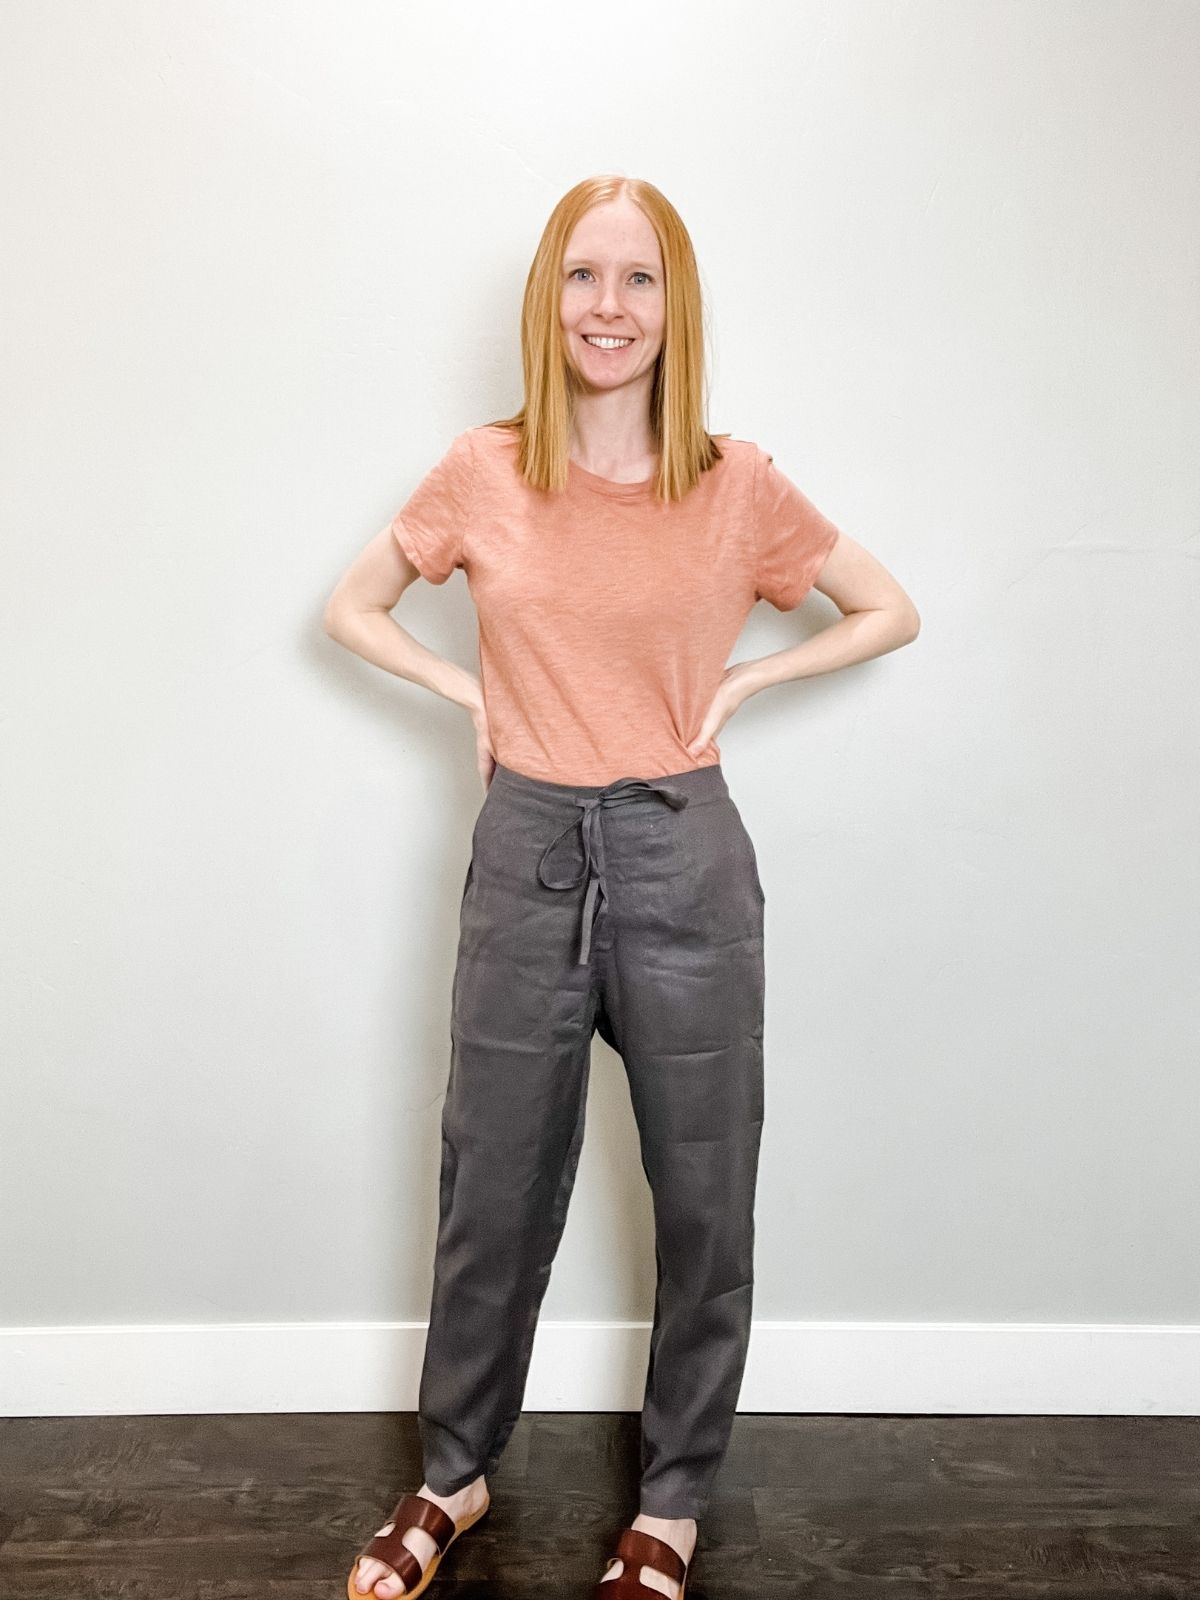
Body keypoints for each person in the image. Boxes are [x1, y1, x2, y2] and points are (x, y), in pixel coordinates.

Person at [324, 174, 920, 1600]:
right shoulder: (486, 467)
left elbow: (891, 605)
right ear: (550, 299)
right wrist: (459, 687)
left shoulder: (734, 483)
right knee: (493, 1191)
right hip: (526, 852)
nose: (609, 307)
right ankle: (452, 1479)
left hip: (681, 848)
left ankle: (673, 1506)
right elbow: (351, 606)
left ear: (675, 307)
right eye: (585, 277)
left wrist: (757, 675)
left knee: (706, 1195)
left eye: (639, 281)